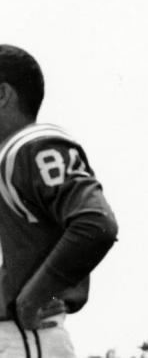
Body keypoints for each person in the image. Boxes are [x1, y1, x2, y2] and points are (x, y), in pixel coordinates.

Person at [0, 46, 118, 358]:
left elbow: (96, 222)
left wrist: (34, 296)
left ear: (2, 95)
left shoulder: (32, 147)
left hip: (22, 336)